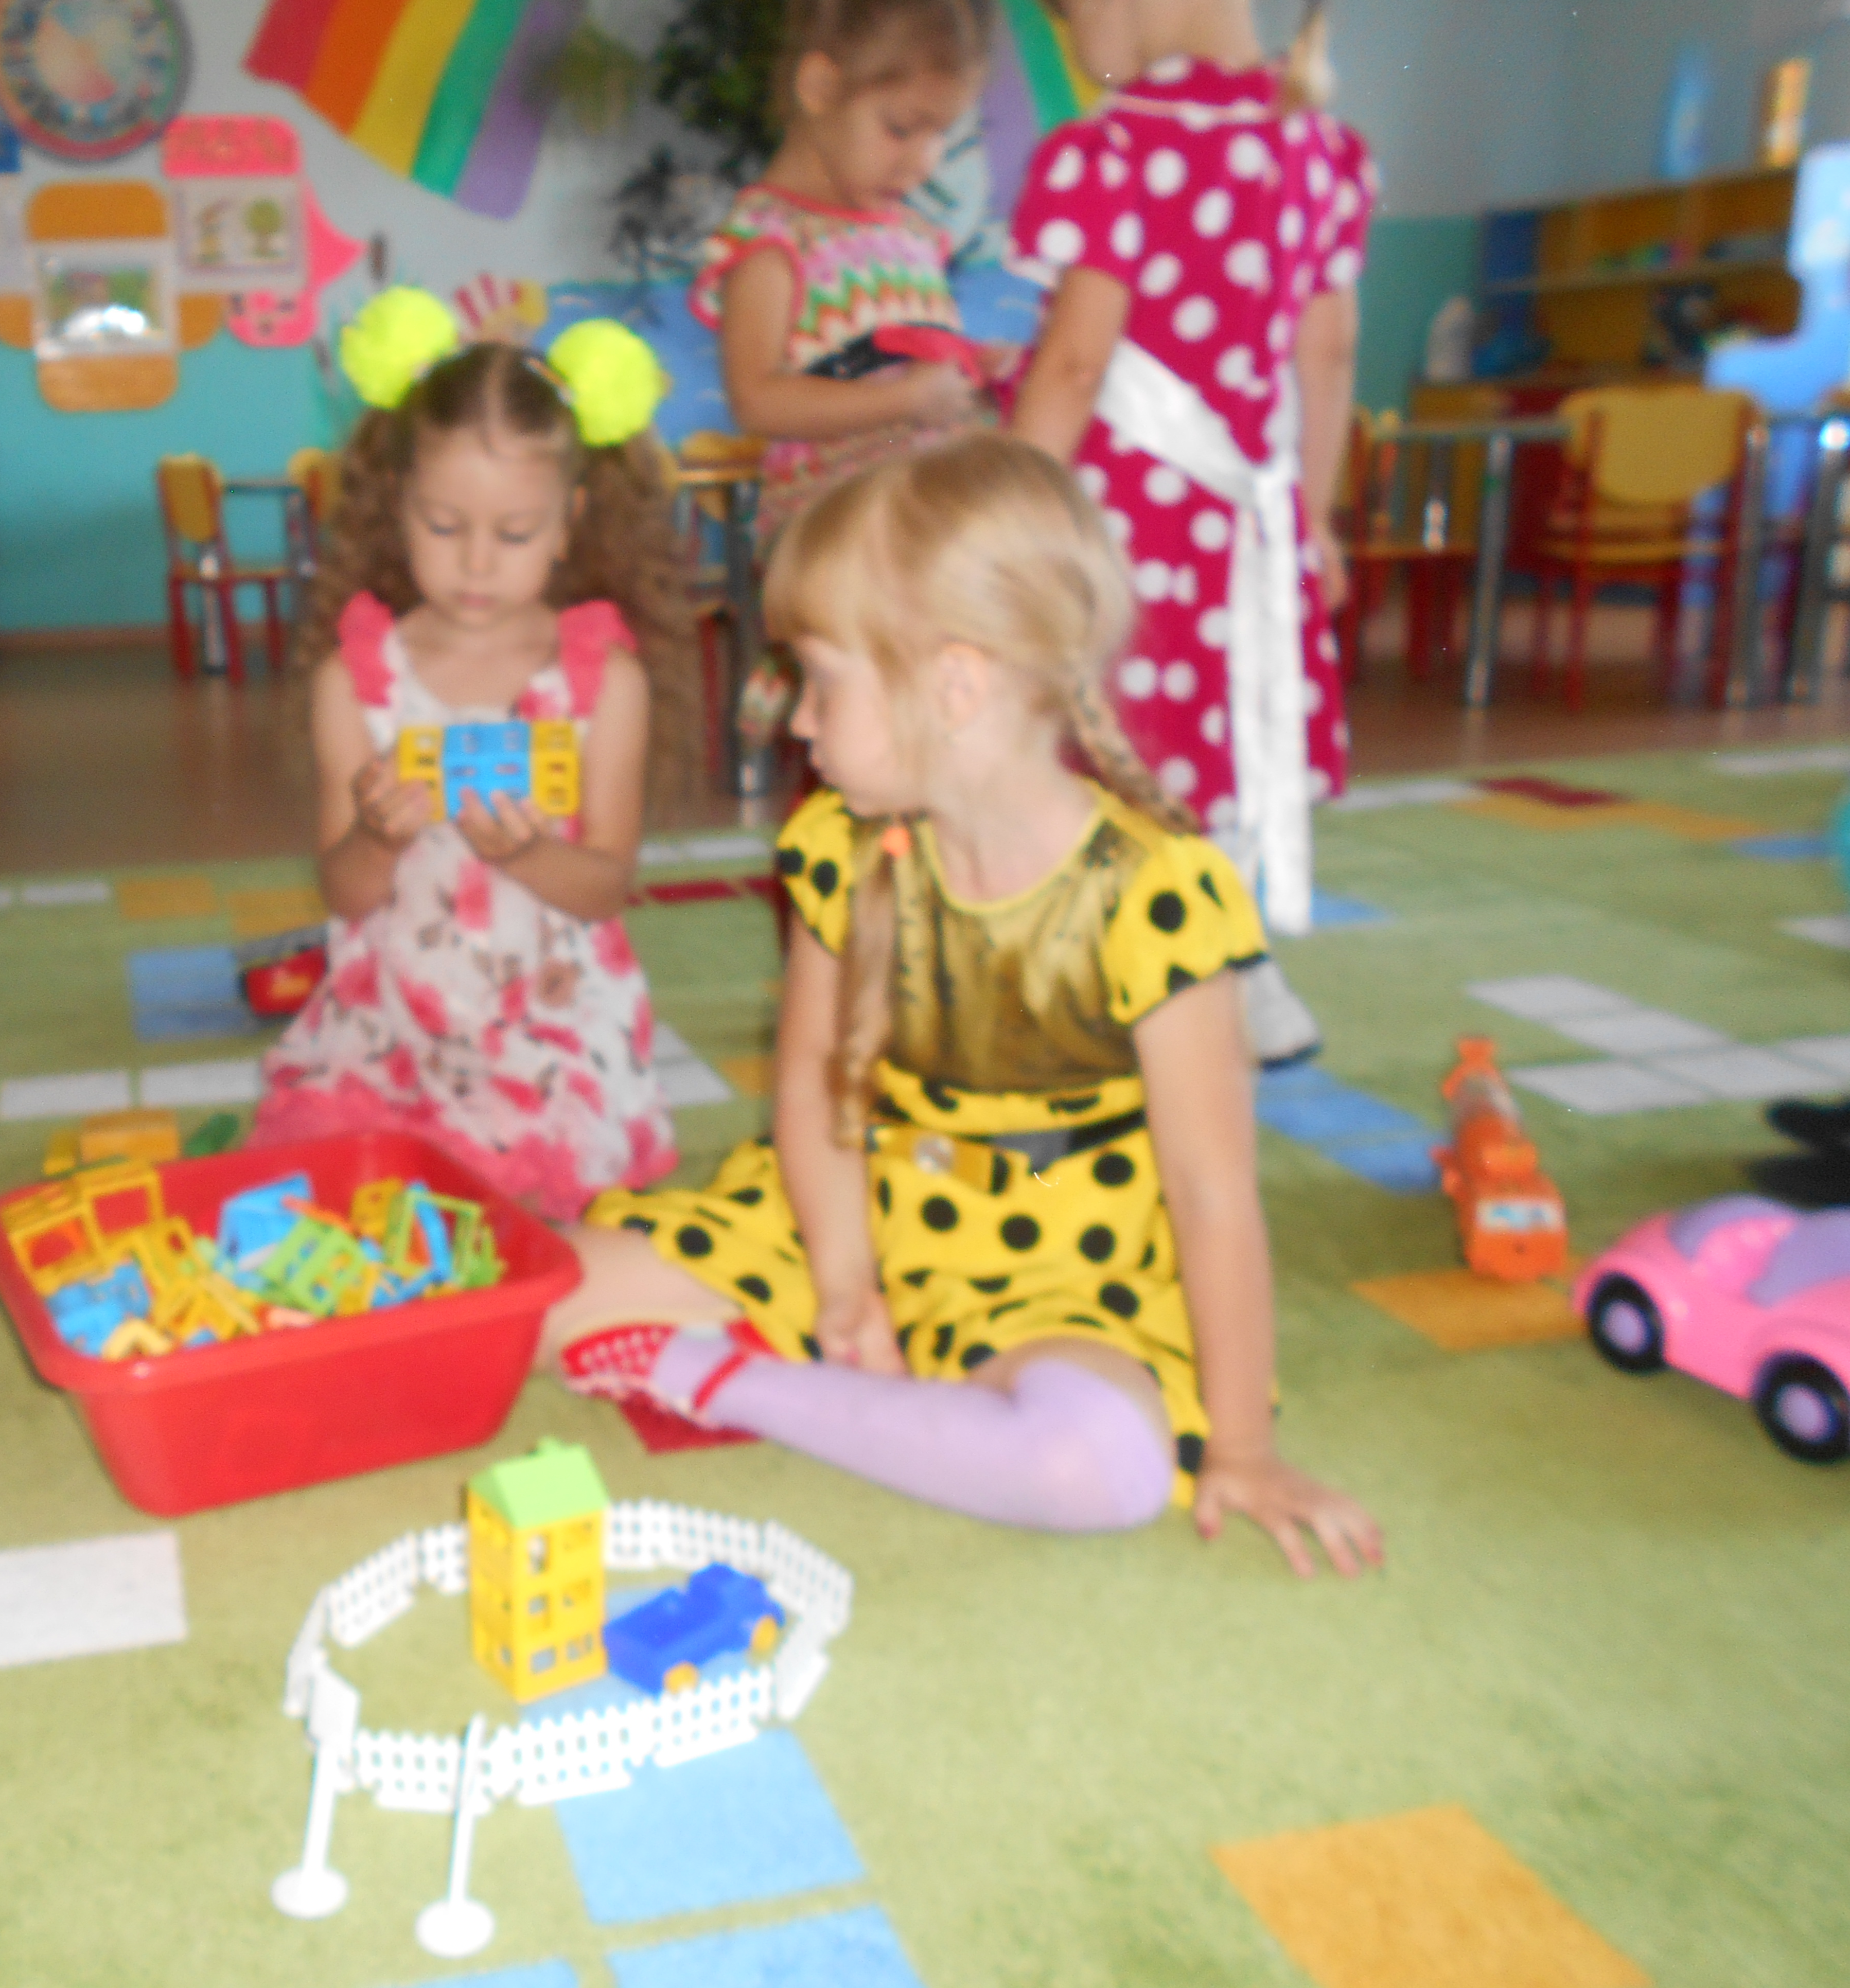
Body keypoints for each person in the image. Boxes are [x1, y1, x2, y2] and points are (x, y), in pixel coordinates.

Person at [543, 439, 1382, 1578]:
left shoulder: (1154, 895)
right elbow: (812, 1090)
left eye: (819, 680)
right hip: (851, 1208)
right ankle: (856, 1383)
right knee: (534, 1305)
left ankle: (725, 1377)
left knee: (1093, 1469)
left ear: (953, 684)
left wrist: (1240, 1449)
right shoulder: (839, 847)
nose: (797, 721)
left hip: (1066, 1276)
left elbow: (1211, 1191)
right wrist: (846, 1283)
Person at [248, 290, 698, 1222]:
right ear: (398, 507)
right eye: (445, 527)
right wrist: (377, 838)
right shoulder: (358, 682)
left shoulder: (602, 683)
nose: (478, 564)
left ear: (569, 520)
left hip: (551, 1030)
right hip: (393, 1031)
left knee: (542, 1235)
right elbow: (344, 892)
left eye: (515, 532)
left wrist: (526, 854)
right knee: (357, 1219)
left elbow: (605, 886)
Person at [1004, 0, 1375, 1060]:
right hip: (1251, 517)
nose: (1075, 44)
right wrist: (1311, 518)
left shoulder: (1114, 151)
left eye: (1071, 13)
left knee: (1116, 740)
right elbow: (1328, 354)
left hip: (1128, 515)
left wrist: (1009, 512)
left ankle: (1112, 971)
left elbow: (1074, 363)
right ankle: (1237, 968)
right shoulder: (1321, 148)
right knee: (1222, 739)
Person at [697, 0, 994, 554]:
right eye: (900, 129)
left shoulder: (913, 234)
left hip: (929, 532)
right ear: (820, 87)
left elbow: (896, 348)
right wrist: (905, 401)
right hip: (837, 548)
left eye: (940, 135)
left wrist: (979, 366)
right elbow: (757, 400)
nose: (924, 162)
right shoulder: (773, 240)